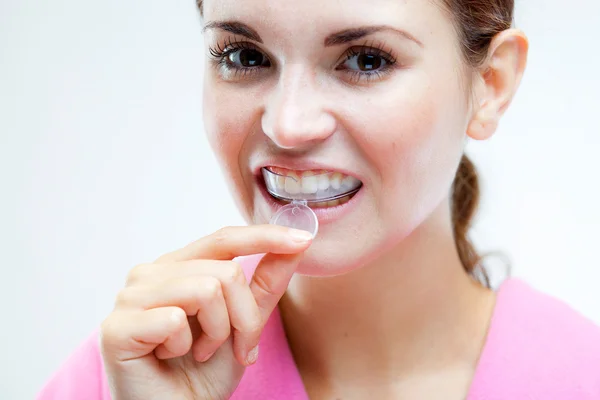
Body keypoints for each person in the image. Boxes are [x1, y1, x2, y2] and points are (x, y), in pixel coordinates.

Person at [38, 0, 600, 399]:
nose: (288, 124)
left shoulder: (582, 378)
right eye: (242, 55)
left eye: (366, 60)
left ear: (491, 85)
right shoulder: (125, 376)